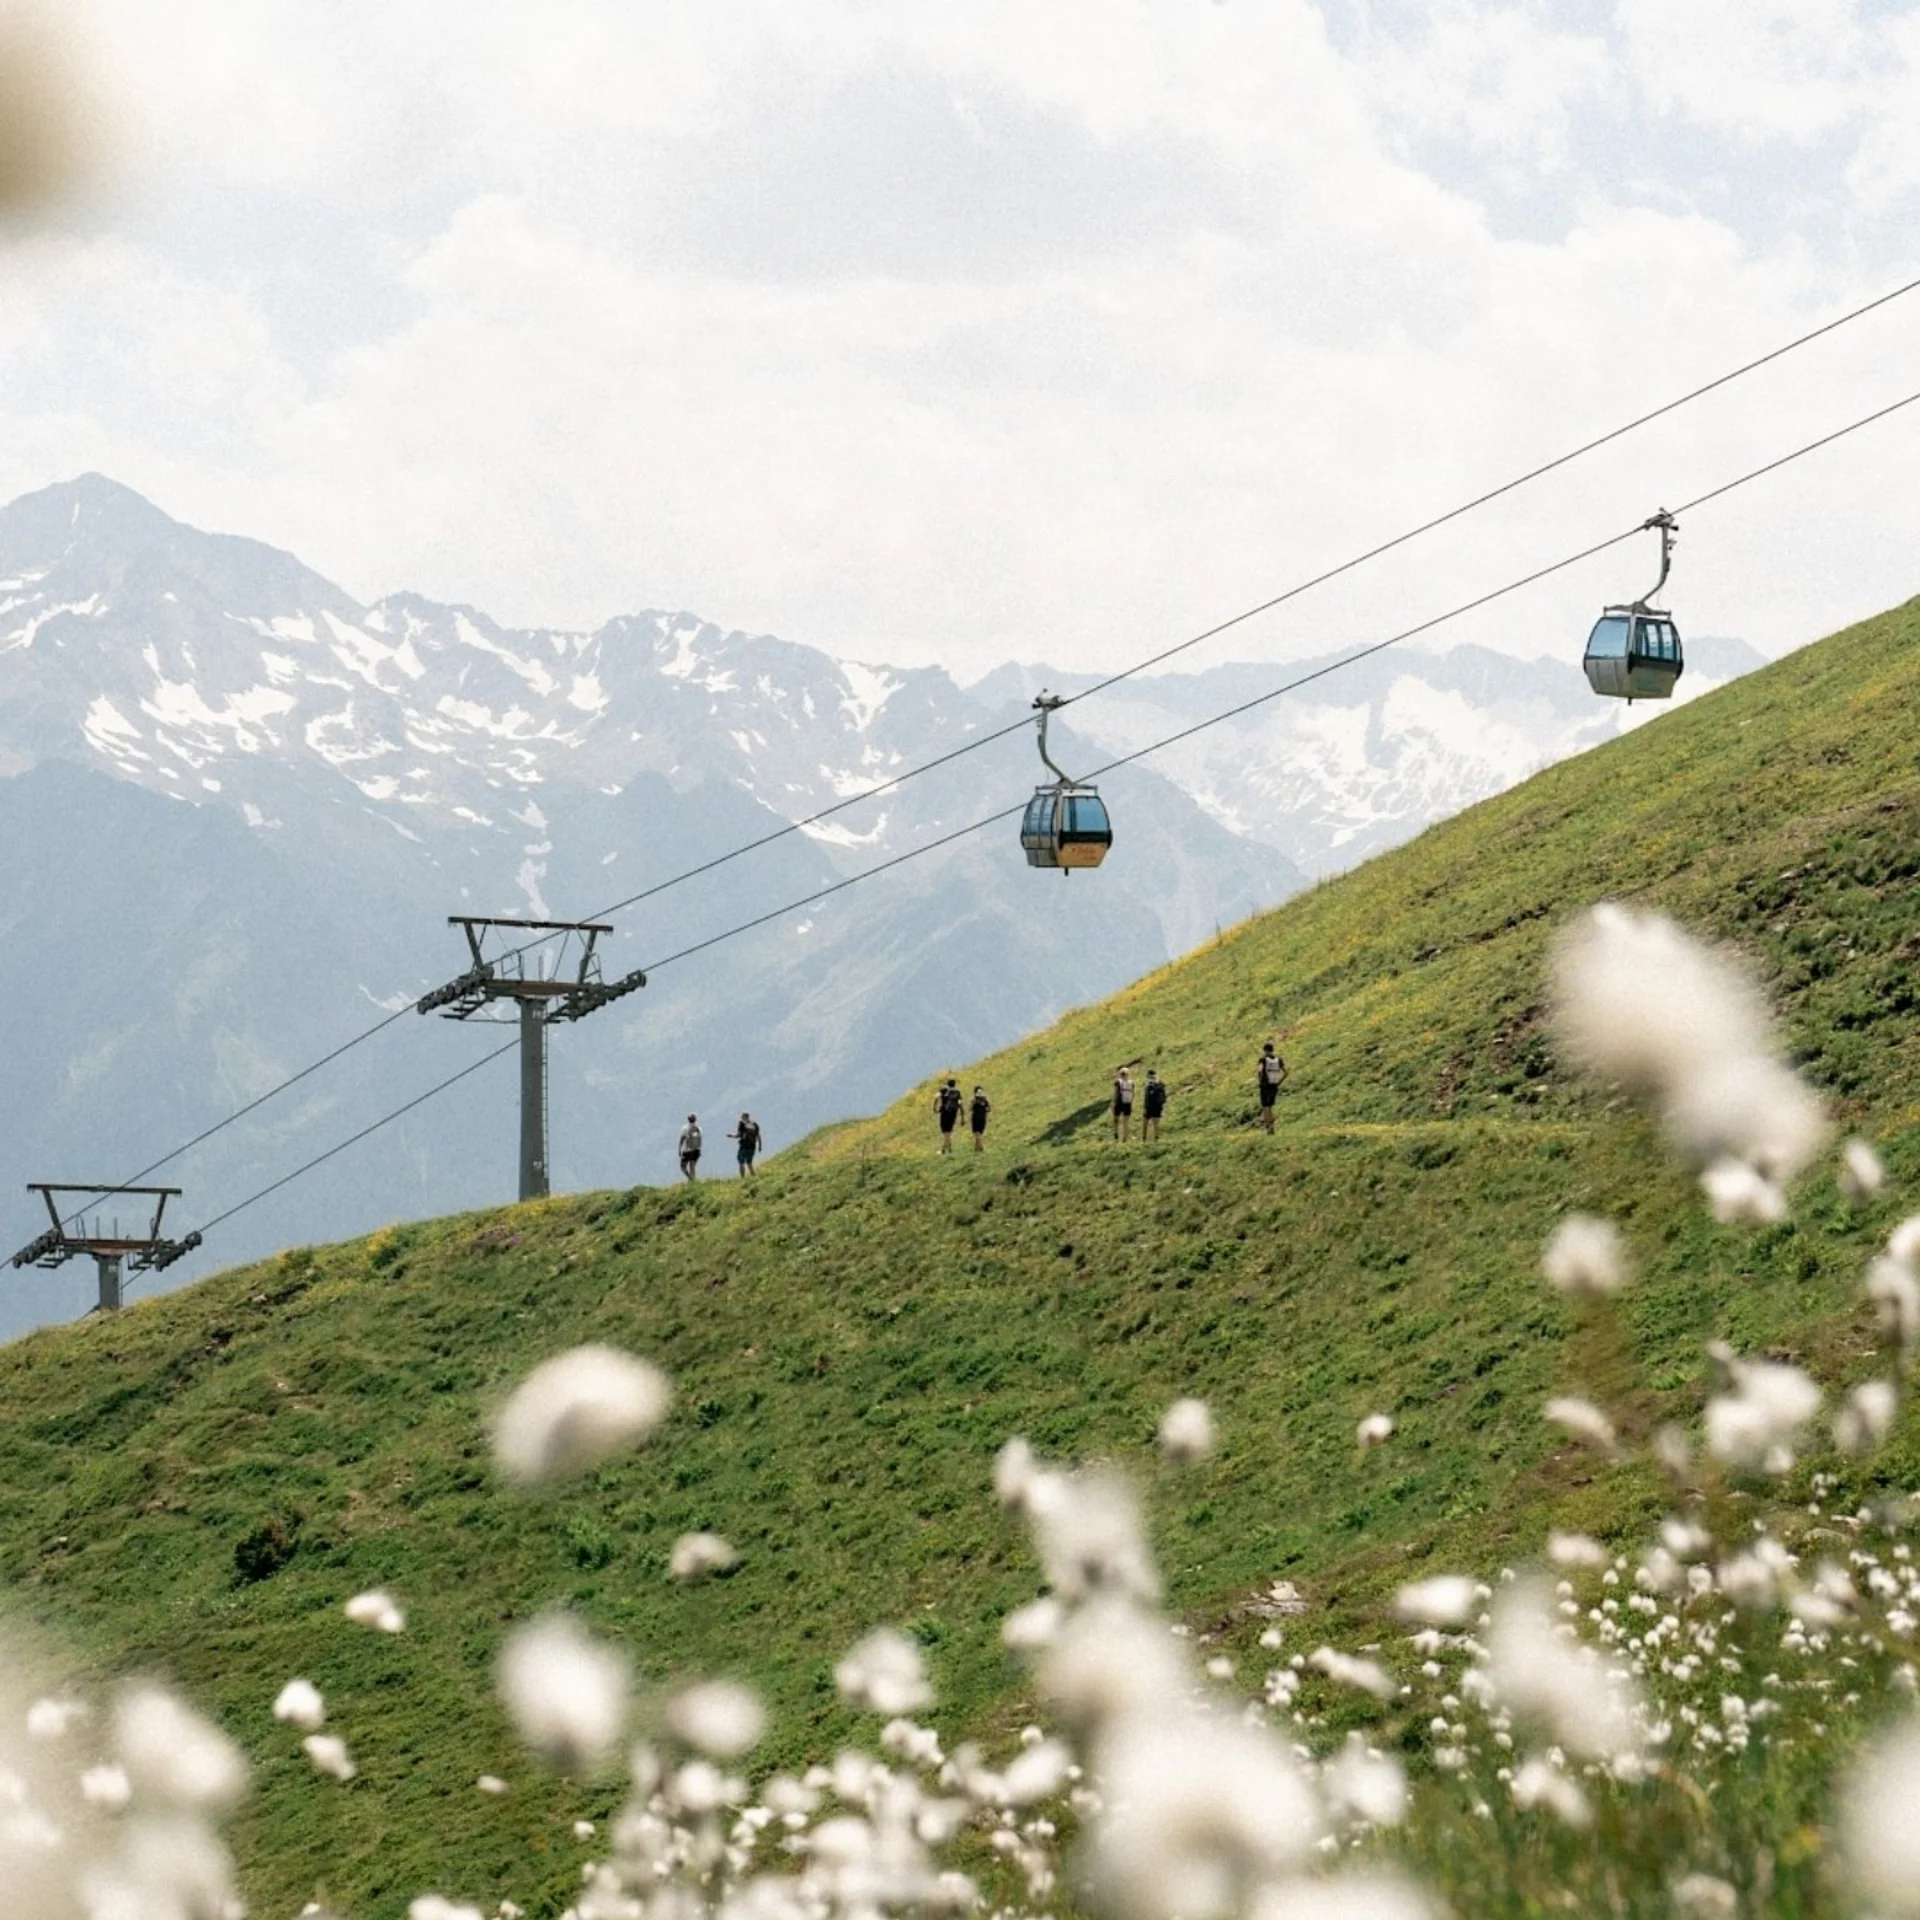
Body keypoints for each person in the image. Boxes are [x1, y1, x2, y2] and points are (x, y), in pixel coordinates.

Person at [1257, 1042, 1289, 1132]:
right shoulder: (1278, 1060)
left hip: (1265, 1085)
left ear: (1265, 1050)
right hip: (1274, 1085)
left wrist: (1260, 1081)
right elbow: (1286, 1073)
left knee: (1265, 1106)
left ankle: (1268, 1127)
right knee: (1270, 1106)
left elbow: (1260, 1071)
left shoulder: (1262, 1060)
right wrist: (1279, 1082)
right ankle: (1272, 1126)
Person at [728, 1112, 762, 1178]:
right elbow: (758, 1136)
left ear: (744, 1117)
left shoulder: (742, 1124)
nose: (741, 1118)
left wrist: (731, 1136)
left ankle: (742, 1178)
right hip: (752, 1147)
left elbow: (739, 1135)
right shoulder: (755, 1124)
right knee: (749, 1163)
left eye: (742, 1117)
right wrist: (760, 1146)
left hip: (744, 1146)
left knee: (741, 1162)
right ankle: (754, 1177)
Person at [935, 1078, 963, 1154]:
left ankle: (943, 1149)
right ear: (954, 1085)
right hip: (953, 1113)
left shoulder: (944, 1090)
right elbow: (960, 1104)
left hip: (945, 1112)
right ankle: (949, 1148)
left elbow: (936, 1097)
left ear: (948, 1084)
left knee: (945, 1131)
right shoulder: (957, 1092)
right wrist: (962, 1116)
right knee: (949, 1131)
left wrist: (935, 1107)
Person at [1142, 1068, 1167, 1140]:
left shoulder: (1149, 1084)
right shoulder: (1161, 1083)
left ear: (1149, 1076)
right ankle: (1156, 1138)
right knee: (1156, 1124)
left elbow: (1147, 1098)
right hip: (1158, 1107)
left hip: (1149, 1107)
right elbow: (1164, 1097)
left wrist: (1145, 1108)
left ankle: (1144, 1138)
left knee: (1145, 1124)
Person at [1111, 1065, 1135, 1142]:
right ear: (1128, 1074)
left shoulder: (1118, 1082)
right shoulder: (1131, 1083)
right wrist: (1131, 1103)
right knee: (1126, 1121)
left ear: (1120, 1074)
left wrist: (1112, 1103)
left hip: (1119, 1103)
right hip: (1127, 1103)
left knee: (1116, 1119)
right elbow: (1133, 1094)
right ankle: (1125, 1137)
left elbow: (1115, 1093)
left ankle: (1116, 1133)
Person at [678, 1114, 702, 1180]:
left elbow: (682, 1139)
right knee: (692, 1166)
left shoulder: (685, 1128)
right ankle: (693, 1181)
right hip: (697, 1150)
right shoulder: (699, 1128)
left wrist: (679, 1150)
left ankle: (691, 1178)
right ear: (695, 1119)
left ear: (688, 1119)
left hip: (687, 1151)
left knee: (683, 1167)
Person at [969, 1085, 992, 1152]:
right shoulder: (985, 1099)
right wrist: (984, 1110)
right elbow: (989, 1109)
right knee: (979, 1133)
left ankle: (981, 1147)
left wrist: (973, 1103)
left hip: (976, 1118)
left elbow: (970, 1108)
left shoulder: (974, 1099)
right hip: (983, 1117)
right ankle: (976, 1148)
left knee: (977, 1133)